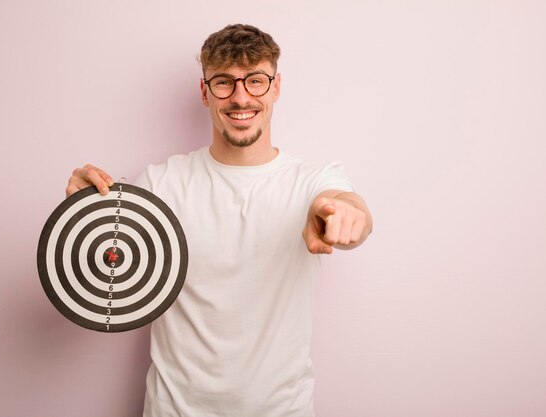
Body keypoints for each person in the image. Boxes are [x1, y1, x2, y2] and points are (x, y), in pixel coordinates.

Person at [67, 24, 372, 417]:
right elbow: (101, 256)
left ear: (277, 87)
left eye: (256, 81)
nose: (240, 97)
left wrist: (347, 215)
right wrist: (85, 204)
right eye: (224, 82)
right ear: (204, 91)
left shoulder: (311, 181)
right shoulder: (162, 183)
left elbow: (347, 205)